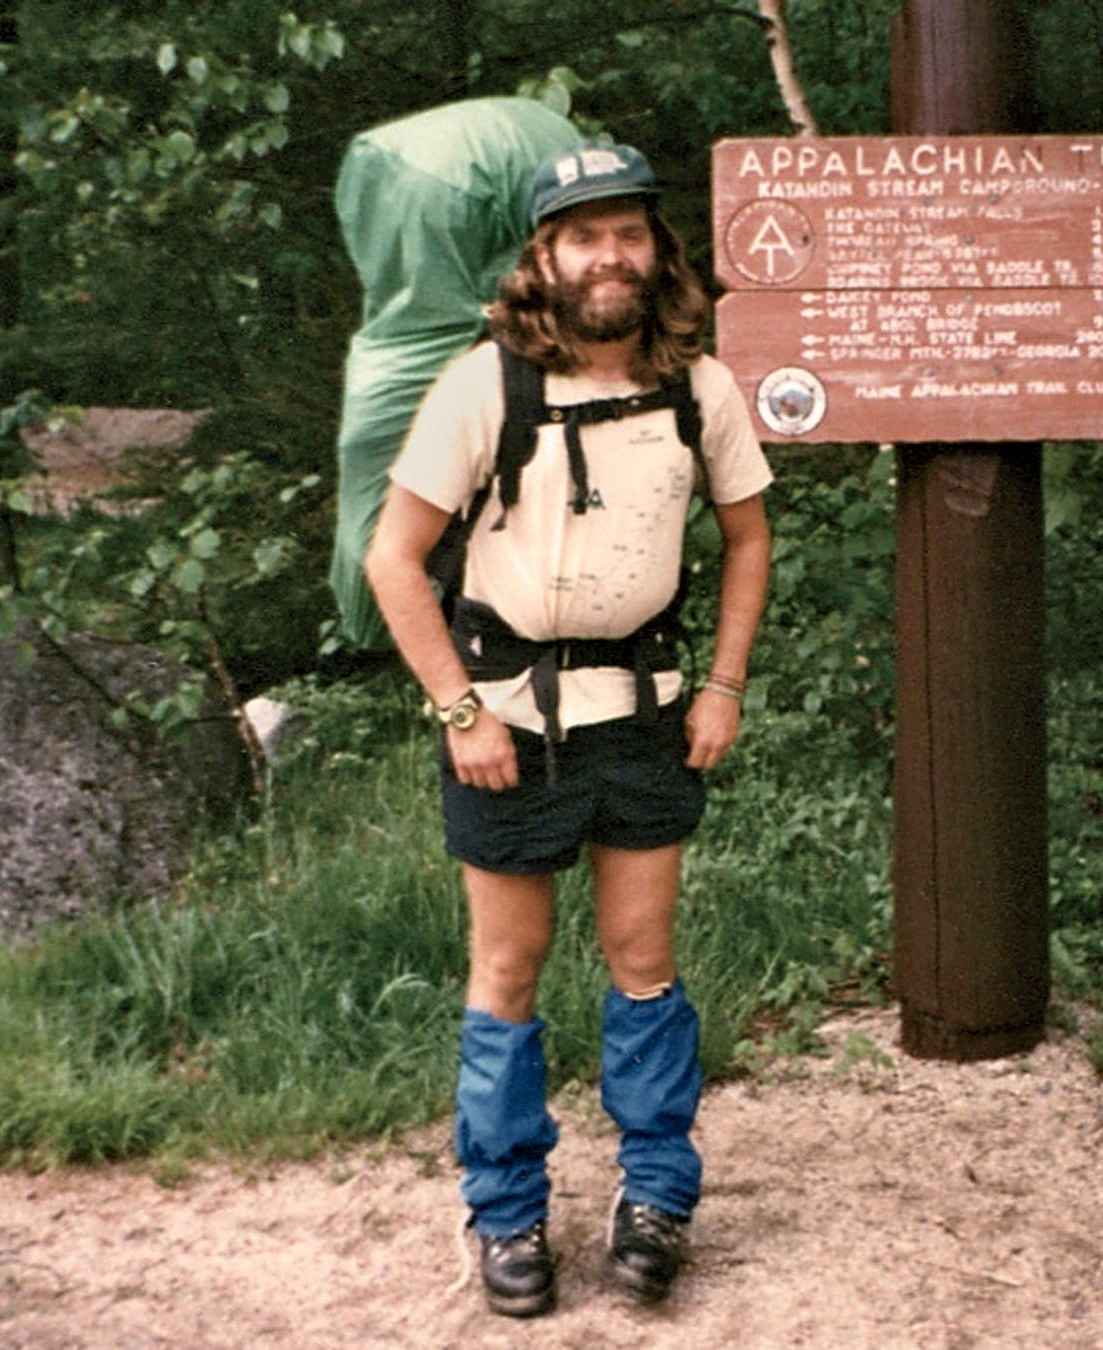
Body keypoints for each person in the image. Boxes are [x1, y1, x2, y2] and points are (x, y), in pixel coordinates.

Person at [362, 139, 773, 1314]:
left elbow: (747, 536)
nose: (611, 256)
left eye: (629, 232)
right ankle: (506, 1215)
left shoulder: (700, 387)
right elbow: (393, 557)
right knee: (508, 968)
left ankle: (655, 1193)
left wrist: (724, 684)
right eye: (585, 234)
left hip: (643, 718)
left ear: (658, 249)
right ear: (544, 254)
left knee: (645, 965)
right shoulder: (487, 383)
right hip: (507, 725)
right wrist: (457, 710)